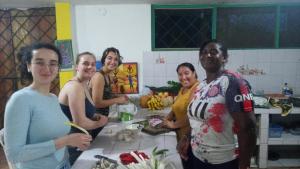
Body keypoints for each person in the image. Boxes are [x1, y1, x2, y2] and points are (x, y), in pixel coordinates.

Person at [4, 43, 92, 169]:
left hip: (64, 164)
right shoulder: (20, 100)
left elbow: (53, 136)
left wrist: (74, 141)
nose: (47, 68)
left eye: (53, 63)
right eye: (40, 62)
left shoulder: (52, 98)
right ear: (29, 66)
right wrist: (66, 141)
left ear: (58, 67)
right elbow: (14, 154)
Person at [177, 39, 256, 169]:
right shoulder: (200, 87)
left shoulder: (233, 82)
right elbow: (198, 119)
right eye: (204, 52)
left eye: (214, 52)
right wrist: (186, 137)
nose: (208, 55)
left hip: (224, 162)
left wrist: (244, 163)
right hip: (198, 157)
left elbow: (248, 127)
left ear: (224, 57)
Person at [58, 52, 108, 165]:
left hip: (81, 140)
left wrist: (95, 116)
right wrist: (101, 122)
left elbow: (83, 111)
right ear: (76, 67)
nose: (90, 67)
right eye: (85, 63)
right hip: (73, 145)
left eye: (93, 64)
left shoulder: (83, 85)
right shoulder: (74, 87)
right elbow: (80, 122)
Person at [162, 62, 199, 169]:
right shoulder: (183, 88)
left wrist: (172, 125)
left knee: (190, 165)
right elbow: (175, 108)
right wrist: (167, 118)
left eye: (187, 73)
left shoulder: (197, 88)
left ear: (194, 73)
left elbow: (192, 115)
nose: (183, 77)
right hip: (181, 137)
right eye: (180, 74)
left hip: (191, 138)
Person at [90, 47, 128, 116]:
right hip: (94, 118)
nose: (113, 62)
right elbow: (97, 103)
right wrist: (117, 100)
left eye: (116, 59)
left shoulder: (108, 75)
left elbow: (104, 95)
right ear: (104, 60)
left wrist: (117, 96)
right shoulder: (99, 76)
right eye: (109, 58)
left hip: (103, 117)